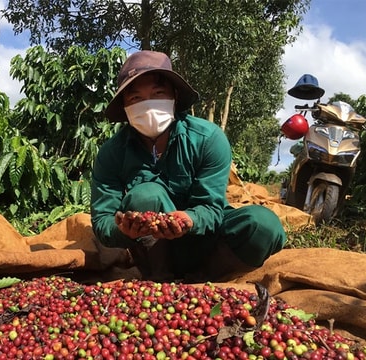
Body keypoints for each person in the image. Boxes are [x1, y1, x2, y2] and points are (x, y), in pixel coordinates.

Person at [90, 50, 286, 282]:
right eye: (136, 99)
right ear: (124, 105)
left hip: (207, 243)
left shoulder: (207, 138)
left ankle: (204, 279)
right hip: (152, 249)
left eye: (157, 94)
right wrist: (123, 230)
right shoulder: (112, 153)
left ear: (174, 96)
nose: (148, 106)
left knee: (264, 225)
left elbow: (212, 208)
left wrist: (190, 219)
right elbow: (102, 220)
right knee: (145, 194)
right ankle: (161, 279)